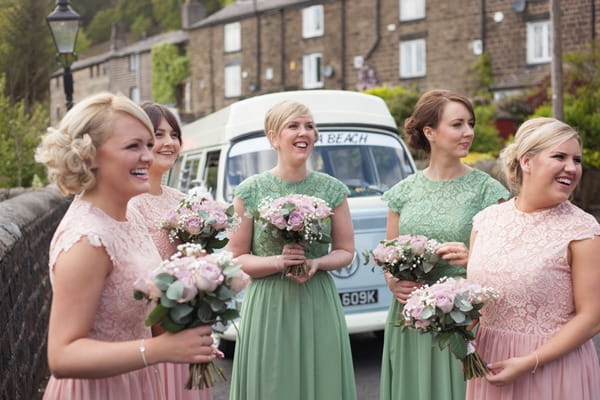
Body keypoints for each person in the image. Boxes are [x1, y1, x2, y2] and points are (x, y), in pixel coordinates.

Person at [36, 93, 215, 400]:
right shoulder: (86, 239)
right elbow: (62, 356)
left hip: (140, 381)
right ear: (89, 155)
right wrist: (159, 349)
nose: (148, 155)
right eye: (134, 146)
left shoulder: (128, 215)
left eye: (148, 144)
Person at [379, 89, 509, 400]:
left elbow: (508, 261)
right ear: (430, 132)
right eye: (458, 124)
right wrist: (394, 282)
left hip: (466, 322)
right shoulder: (402, 192)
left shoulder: (489, 192)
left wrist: (473, 258)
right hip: (410, 321)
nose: (469, 132)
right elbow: (390, 254)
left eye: (471, 124)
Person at [227, 100, 357, 400]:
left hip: (317, 299)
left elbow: (346, 251)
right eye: (294, 126)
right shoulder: (250, 190)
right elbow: (236, 258)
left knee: (322, 378)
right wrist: (278, 261)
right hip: (269, 302)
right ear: (274, 137)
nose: (304, 132)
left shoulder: (333, 190)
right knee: (273, 383)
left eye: (309, 126)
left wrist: (317, 263)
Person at [466, 117, 600, 399]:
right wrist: (456, 327)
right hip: (491, 365)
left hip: (553, 369)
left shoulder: (582, 230)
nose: (572, 168)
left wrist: (531, 361)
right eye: (560, 156)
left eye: (577, 160)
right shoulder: (485, 221)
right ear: (527, 162)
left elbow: (592, 318)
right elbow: (475, 300)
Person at [128, 101, 213, 400]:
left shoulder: (183, 201)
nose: (169, 143)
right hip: (153, 329)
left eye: (173, 135)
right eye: (158, 135)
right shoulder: (128, 203)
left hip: (188, 320)